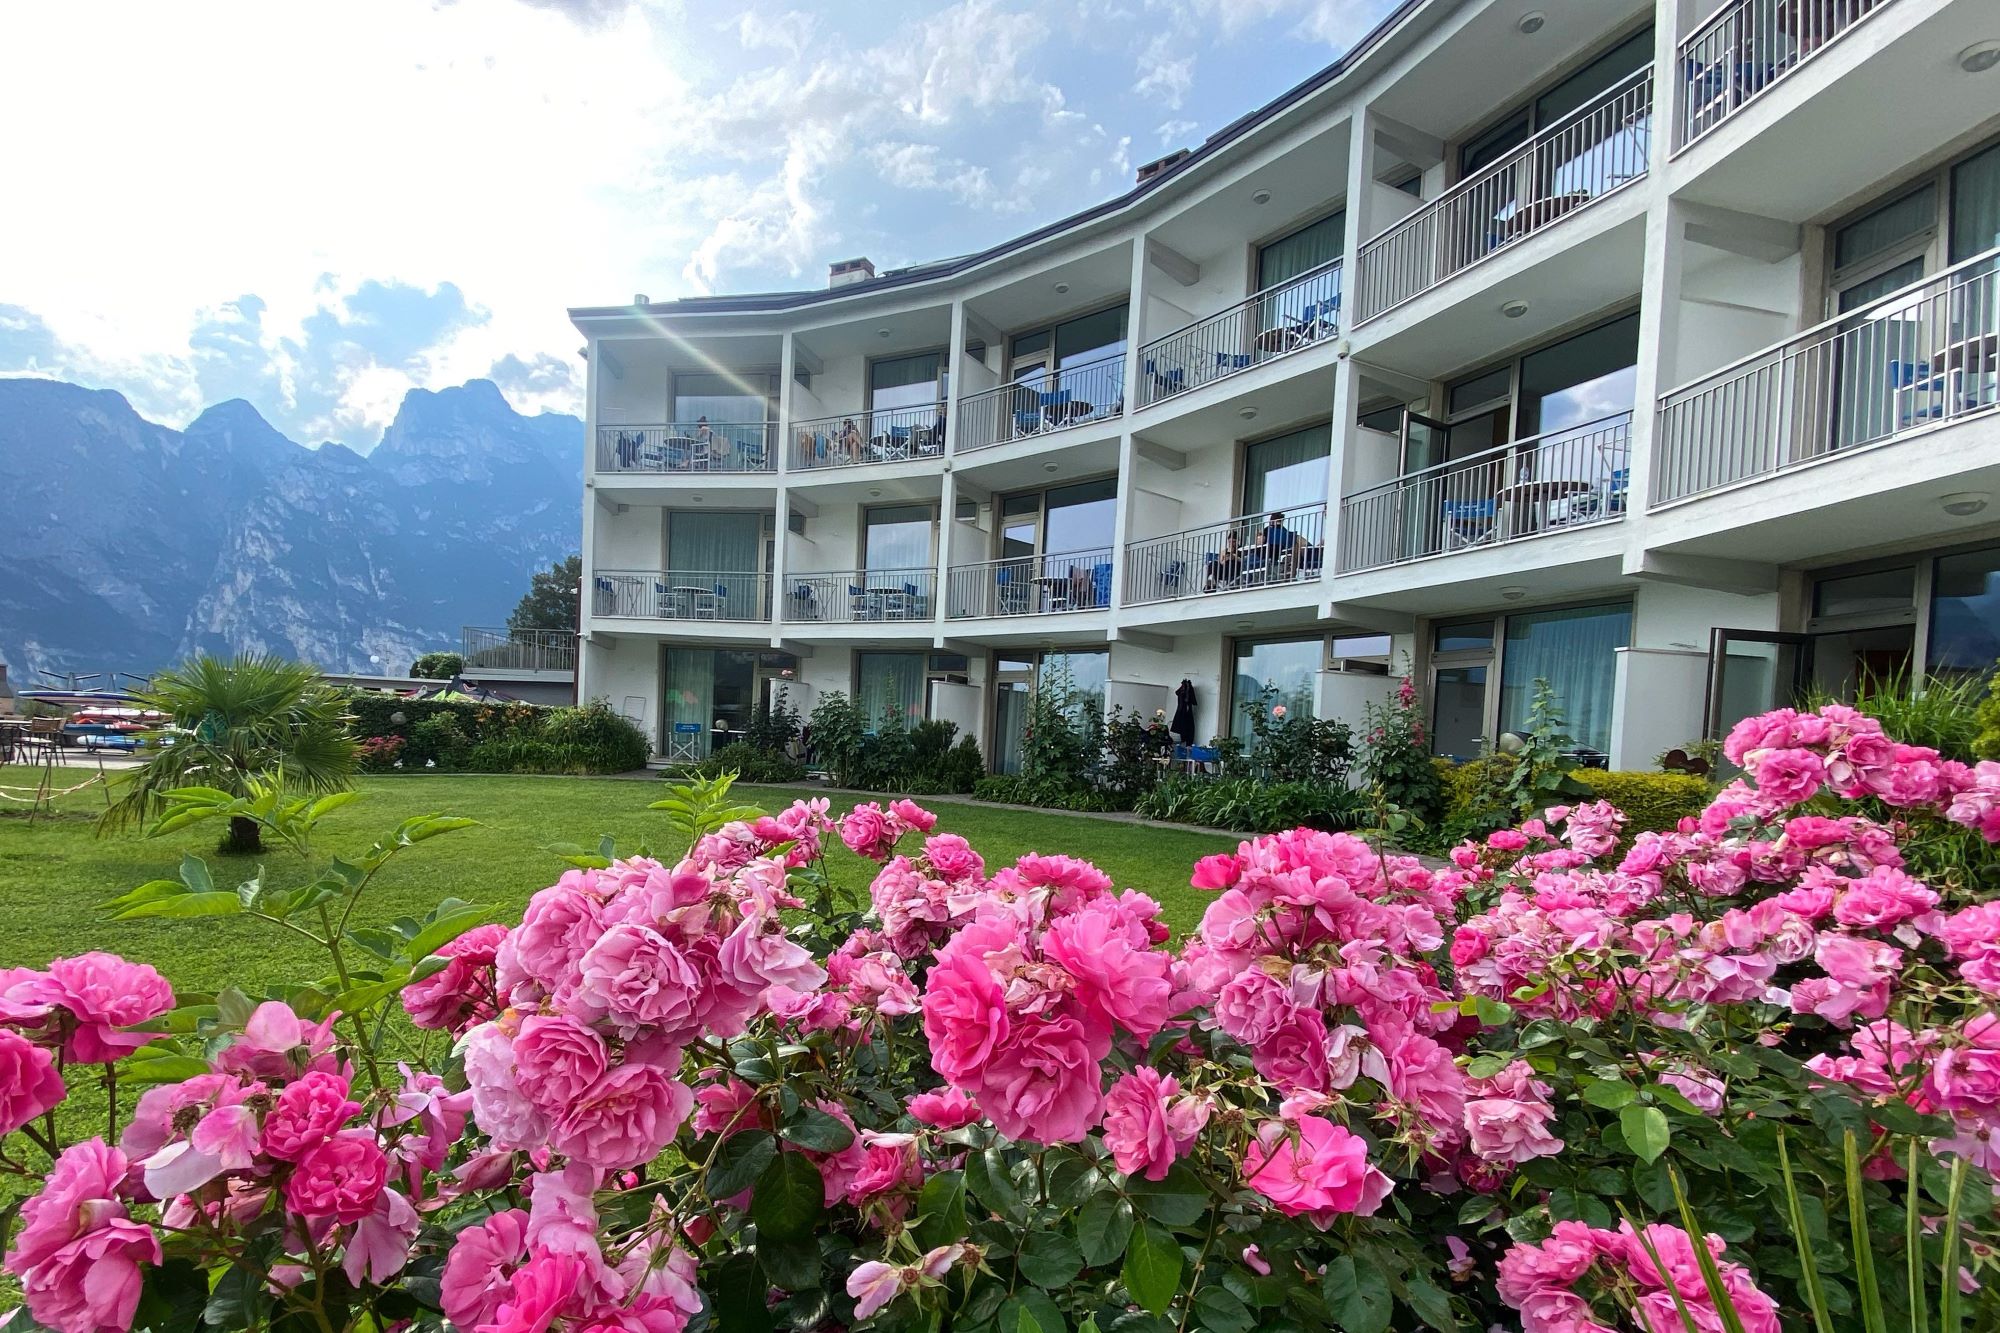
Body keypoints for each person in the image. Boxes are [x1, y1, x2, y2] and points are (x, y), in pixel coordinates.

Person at [1261, 511, 1299, 575]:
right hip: (1276, 553)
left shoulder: (1268, 530)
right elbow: (1290, 543)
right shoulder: (1284, 531)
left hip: (1267, 552)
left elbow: (1261, 542)